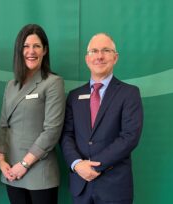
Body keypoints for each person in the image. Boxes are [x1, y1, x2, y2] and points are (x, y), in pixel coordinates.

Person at [60, 33, 143, 204]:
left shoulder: (129, 93)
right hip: (81, 184)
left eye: (106, 50)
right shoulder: (74, 96)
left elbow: (129, 137)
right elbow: (66, 135)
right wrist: (77, 164)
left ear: (115, 57)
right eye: (94, 51)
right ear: (87, 58)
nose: (99, 56)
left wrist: (93, 165)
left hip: (115, 186)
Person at [0, 24, 65, 204]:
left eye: (37, 46)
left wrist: (24, 164)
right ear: (19, 50)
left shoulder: (53, 82)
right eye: (26, 46)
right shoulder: (11, 85)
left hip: (39, 172)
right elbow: (3, 125)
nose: (31, 51)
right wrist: (1, 160)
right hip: (11, 170)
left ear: (45, 50)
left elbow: (52, 131)